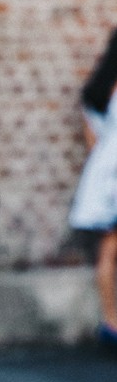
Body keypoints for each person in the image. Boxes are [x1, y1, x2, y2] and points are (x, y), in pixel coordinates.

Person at [68, 27, 117, 350]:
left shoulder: (101, 90)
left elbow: (93, 138)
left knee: (109, 251)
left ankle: (110, 322)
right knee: (110, 251)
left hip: (107, 173)